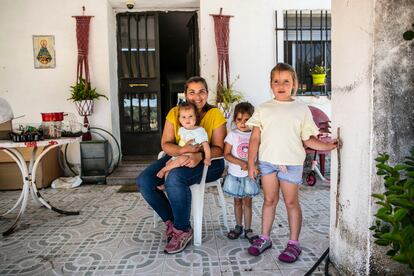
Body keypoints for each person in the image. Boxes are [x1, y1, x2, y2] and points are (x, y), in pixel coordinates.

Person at [246, 63, 338, 263]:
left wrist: (327, 146)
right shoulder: (263, 109)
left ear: (294, 84)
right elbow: (254, 139)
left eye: (286, 81)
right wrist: (251, 164)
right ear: (271, 84)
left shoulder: (301, 109)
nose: (281, 85)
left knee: (291, 202)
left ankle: (293, 243)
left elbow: (308, 140)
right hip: (268, 163)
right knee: (269, 201)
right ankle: (264, 238)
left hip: (291, 164)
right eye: (276, 81)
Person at [136, 76, 226, 254]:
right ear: (185, 94)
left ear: (207, 94)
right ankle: (172, 223)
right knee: (145, 181)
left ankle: (183, 229)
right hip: (178, 156)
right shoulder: (175, 112)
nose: (197, 96)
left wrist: (199, 156)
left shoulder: (215, 114)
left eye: (201, 91)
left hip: (210, 162)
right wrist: (183, 150)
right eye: (192, 92)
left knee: (175, 178)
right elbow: (166, 144)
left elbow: (219, 149)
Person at [222, 102, 260, 243]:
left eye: (247, 120)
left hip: (249, 176)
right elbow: (226, 154)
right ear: (234, 120)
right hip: (235, 175)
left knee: (248, 203)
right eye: (239, 120)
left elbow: (259, 154)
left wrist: (255, 165)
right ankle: (238, 226)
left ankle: (248, 230)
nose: (243, 123)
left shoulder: (255, 135)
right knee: (237, 202)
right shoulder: (232, 135)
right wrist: (242, 163)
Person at [156, 102, 211, 183]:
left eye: (190, 116)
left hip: (190, 156)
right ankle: (166, 184)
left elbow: (206, 146)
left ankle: (163, 170)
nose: (187, 119)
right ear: (179, 119)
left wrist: (207, 158)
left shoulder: (199, 131)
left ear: (196, 117)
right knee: (169, 163)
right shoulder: (182, 130)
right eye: (184, 117)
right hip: (179, 154)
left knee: (178, 161)